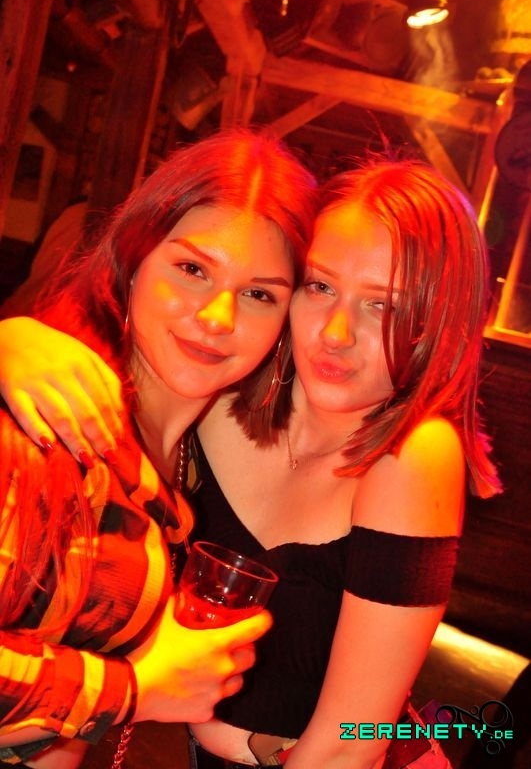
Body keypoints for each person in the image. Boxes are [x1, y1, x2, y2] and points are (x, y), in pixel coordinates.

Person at [0, 157, 501, 769]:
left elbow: (353, 741)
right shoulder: (216, 391)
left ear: (439, 323)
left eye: (384, 307)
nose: (336, 332)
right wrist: (14, 341)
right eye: (320, 286)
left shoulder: (413, 454)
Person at [0, 128, 317, 769]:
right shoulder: (45, 434)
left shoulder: (196, 454)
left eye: (260, 294)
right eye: (192, 269)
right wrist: (135, 690)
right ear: (133, 257)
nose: (219, 316)